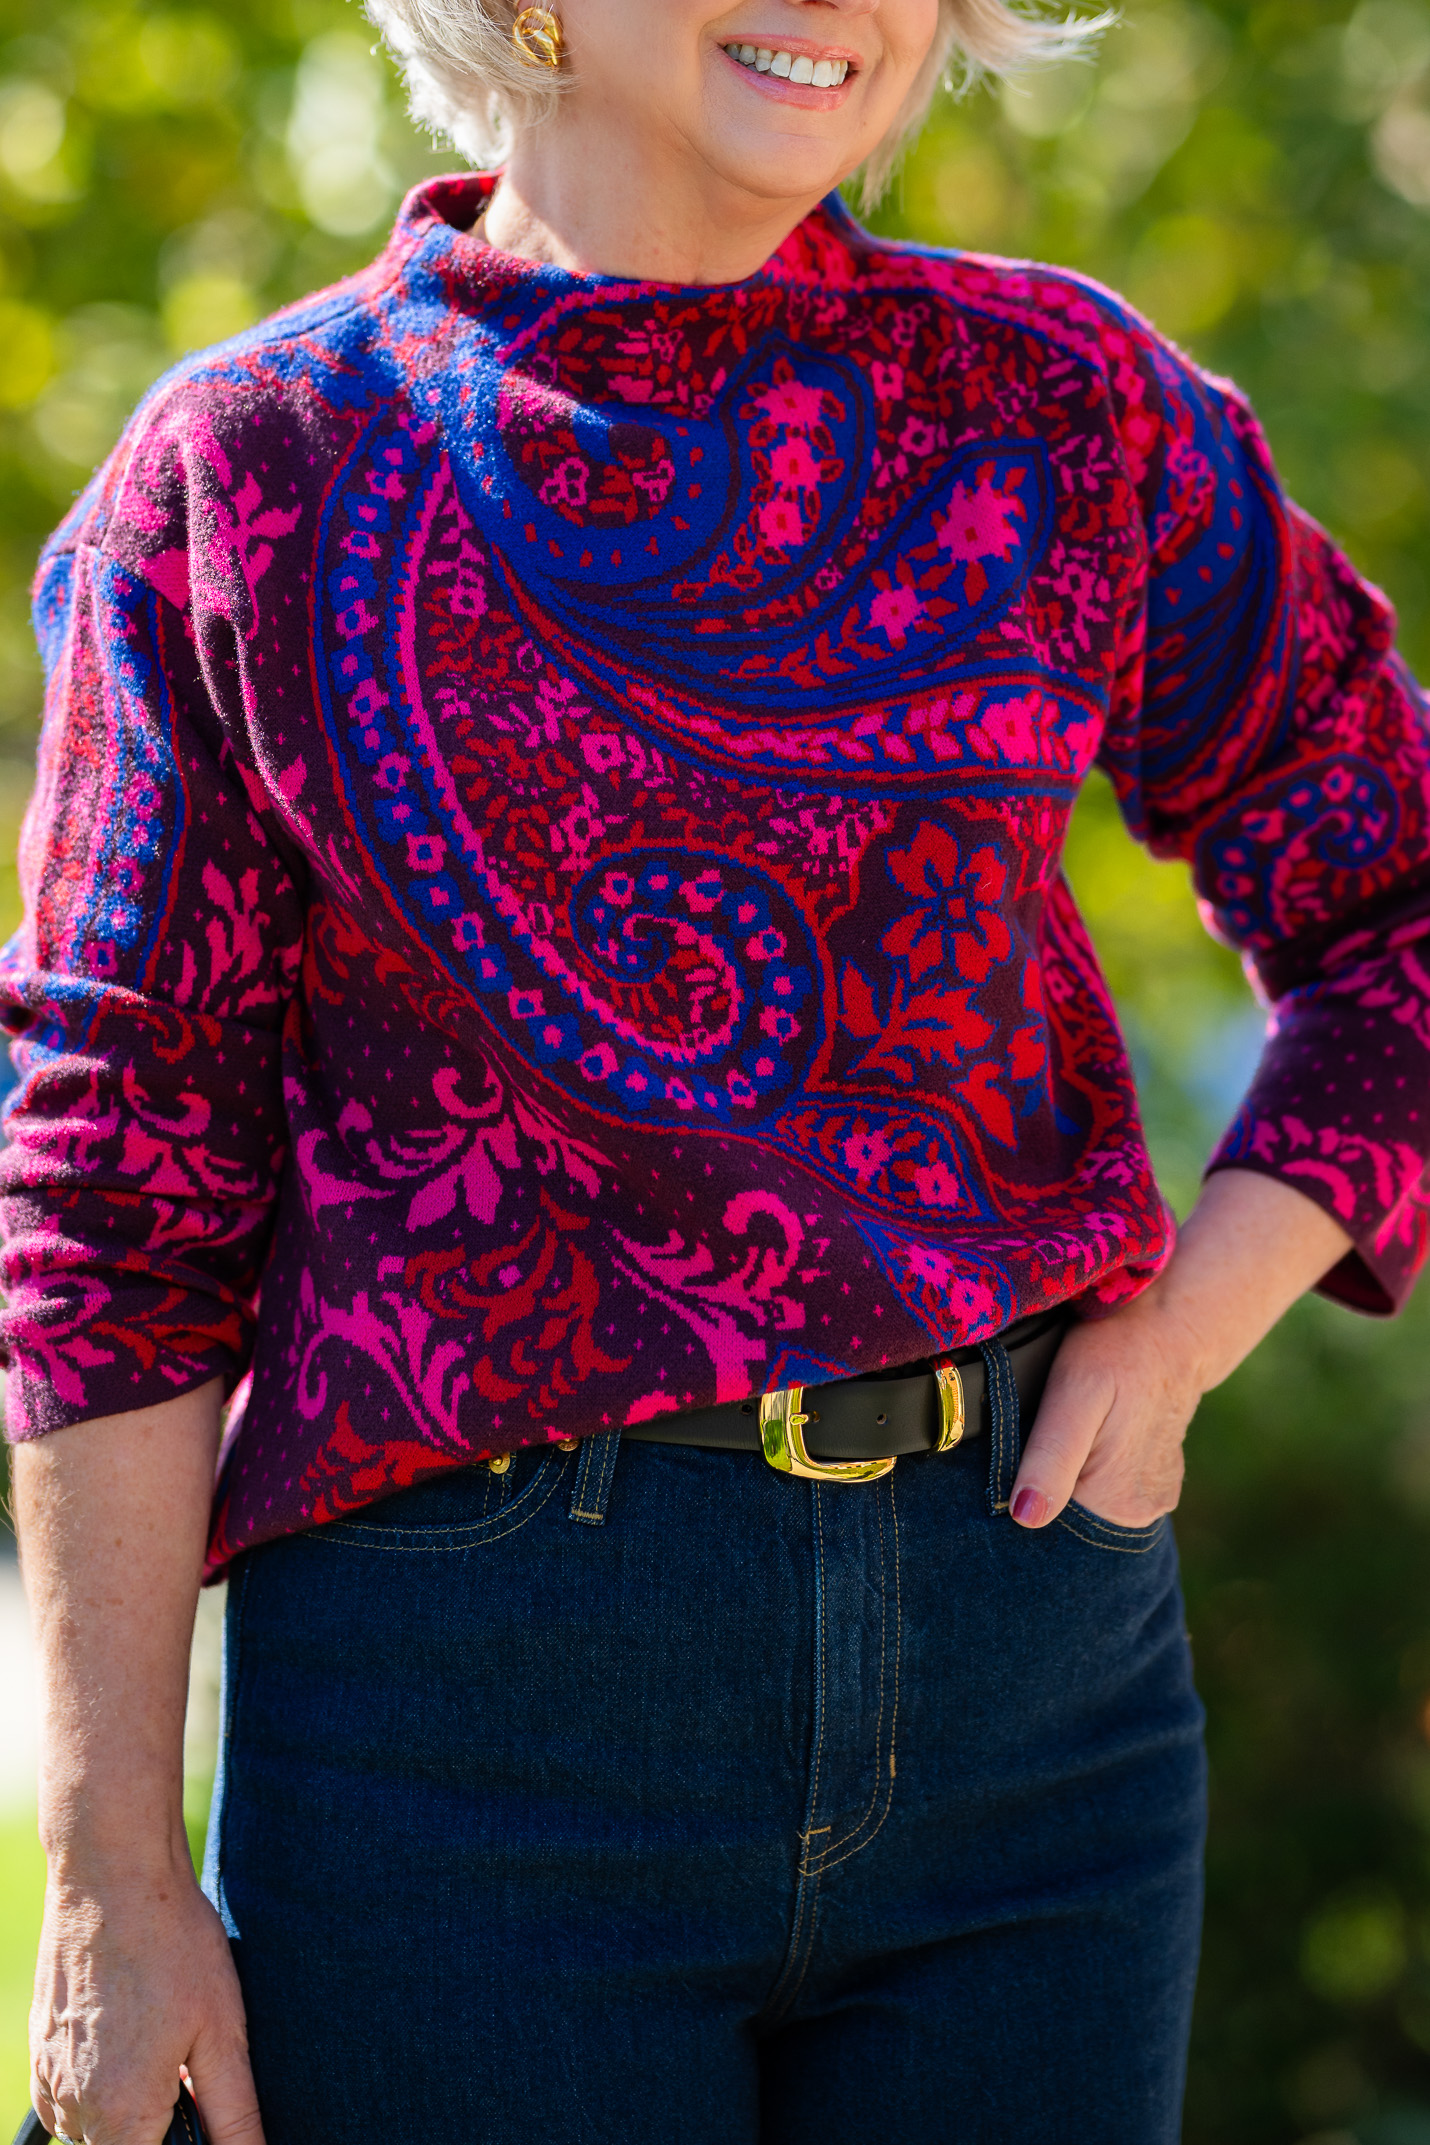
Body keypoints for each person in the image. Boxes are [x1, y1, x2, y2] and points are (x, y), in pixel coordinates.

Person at [8, 0, 1429, 2138]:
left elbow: (1397, 891)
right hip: (461, 1728)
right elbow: (114, 1193)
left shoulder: (1062, 405)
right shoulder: (251, 472)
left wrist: (1181, 1339)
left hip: (1033, 1682)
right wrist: (110, 1864)